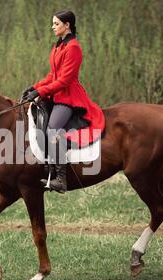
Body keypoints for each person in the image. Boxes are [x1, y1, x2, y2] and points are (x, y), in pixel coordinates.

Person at [22, 9, 105, 193]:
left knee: (53, 130)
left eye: (56, 24)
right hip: (57, 95)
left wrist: (40, 92)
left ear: (67, 25)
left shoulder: (73, 47)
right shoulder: (58, 45)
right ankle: (48, 168)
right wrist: (34, 87)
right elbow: (53, 75)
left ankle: (60, 179)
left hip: (69, 98)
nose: (53, 27)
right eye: (53, 24)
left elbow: (64, 80)